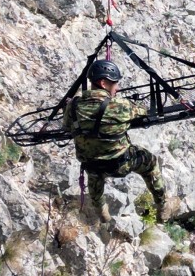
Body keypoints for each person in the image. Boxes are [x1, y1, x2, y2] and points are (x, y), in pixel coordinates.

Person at [64, 60, 176, 224]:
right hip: (121, 164)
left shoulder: (72, 106)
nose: (117, 88)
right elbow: (143, 112)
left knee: (94, 174)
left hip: (92, 166)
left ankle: (102, 212)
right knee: (150, 161)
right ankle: (162, 205)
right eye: (114, 83)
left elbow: (66, 125)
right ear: (103, 83)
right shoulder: (121, 106)